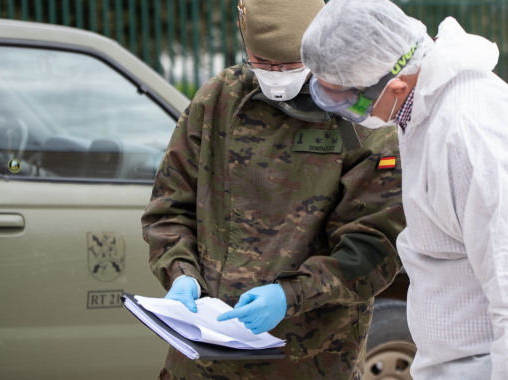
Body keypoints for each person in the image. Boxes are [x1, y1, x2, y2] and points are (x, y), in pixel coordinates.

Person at [300, 0, 508, 379]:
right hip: (467, 359)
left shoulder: (470, 139)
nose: (345, 113)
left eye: (346, 99)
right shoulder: (422, 101)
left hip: (500, 364)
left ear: (394, 85)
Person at [141, 0, 406, 379]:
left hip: (307, 359)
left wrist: (289, 296)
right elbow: (169, 209)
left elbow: (374, 247)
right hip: (201, 359)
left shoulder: (361, 116)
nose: (275, 75)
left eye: (288, 65)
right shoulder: (219, 100)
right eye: (262, 63)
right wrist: (181, 273)